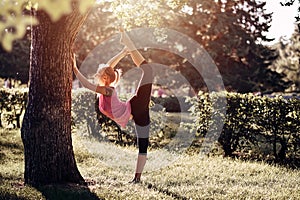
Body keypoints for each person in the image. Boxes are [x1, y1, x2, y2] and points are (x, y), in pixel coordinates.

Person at [73, 30, 153, 183]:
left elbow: (93, 79)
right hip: (136, 108)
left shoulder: (107, 90)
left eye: (99, 73)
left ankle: (137, 178)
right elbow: (107, 68)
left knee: (148, 70)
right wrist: (123, 52)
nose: (97, 74)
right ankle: (137, 178)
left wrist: (75, 69)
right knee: (143, 142)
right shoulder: (107, 88)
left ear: (104, 77)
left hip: (136, 107)